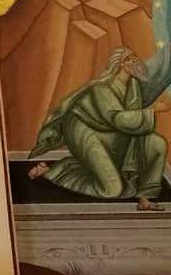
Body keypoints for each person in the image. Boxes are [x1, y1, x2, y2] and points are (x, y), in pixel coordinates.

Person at [28, 47, 171, 211]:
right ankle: (52, 171)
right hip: (83, 129)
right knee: (112, 189)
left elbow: (133, 124)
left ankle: (145, 199)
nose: (137, 61)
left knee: (157, 144)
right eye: (131, 58)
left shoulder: (133, 86)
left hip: (108, 131)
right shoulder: (102, 88)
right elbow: (117, 119)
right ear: (121, 64)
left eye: (135, 57)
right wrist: (154, 110)